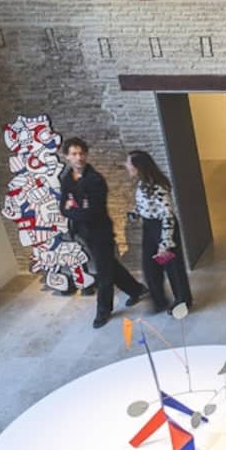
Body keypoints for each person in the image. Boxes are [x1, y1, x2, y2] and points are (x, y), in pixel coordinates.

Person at [59, 137, 147, 329]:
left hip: (100, 232)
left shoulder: (95, 180)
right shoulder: (66, 178)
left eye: (82, 153)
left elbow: (93, 211)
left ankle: (103, 311)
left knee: (104, 272)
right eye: (74, 154)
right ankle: (137, 289)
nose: (79, 157)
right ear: (67, 156)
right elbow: (62, 208)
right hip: (84, 232)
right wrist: (74, 210)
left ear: (86, 155)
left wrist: (73, 209)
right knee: (109, 264)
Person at [124, 150, 192, 314]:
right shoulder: (142, 183)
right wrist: (135, 213)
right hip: (149, 227)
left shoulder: (159, 187)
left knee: (173, 268)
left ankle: (183, 301)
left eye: (129, 163)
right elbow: (145, 204)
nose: (126, 166)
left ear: (138, 167)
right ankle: (159, 301)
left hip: (163, 228)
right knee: (150, 266)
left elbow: (168, 215)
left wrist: (165, 242)